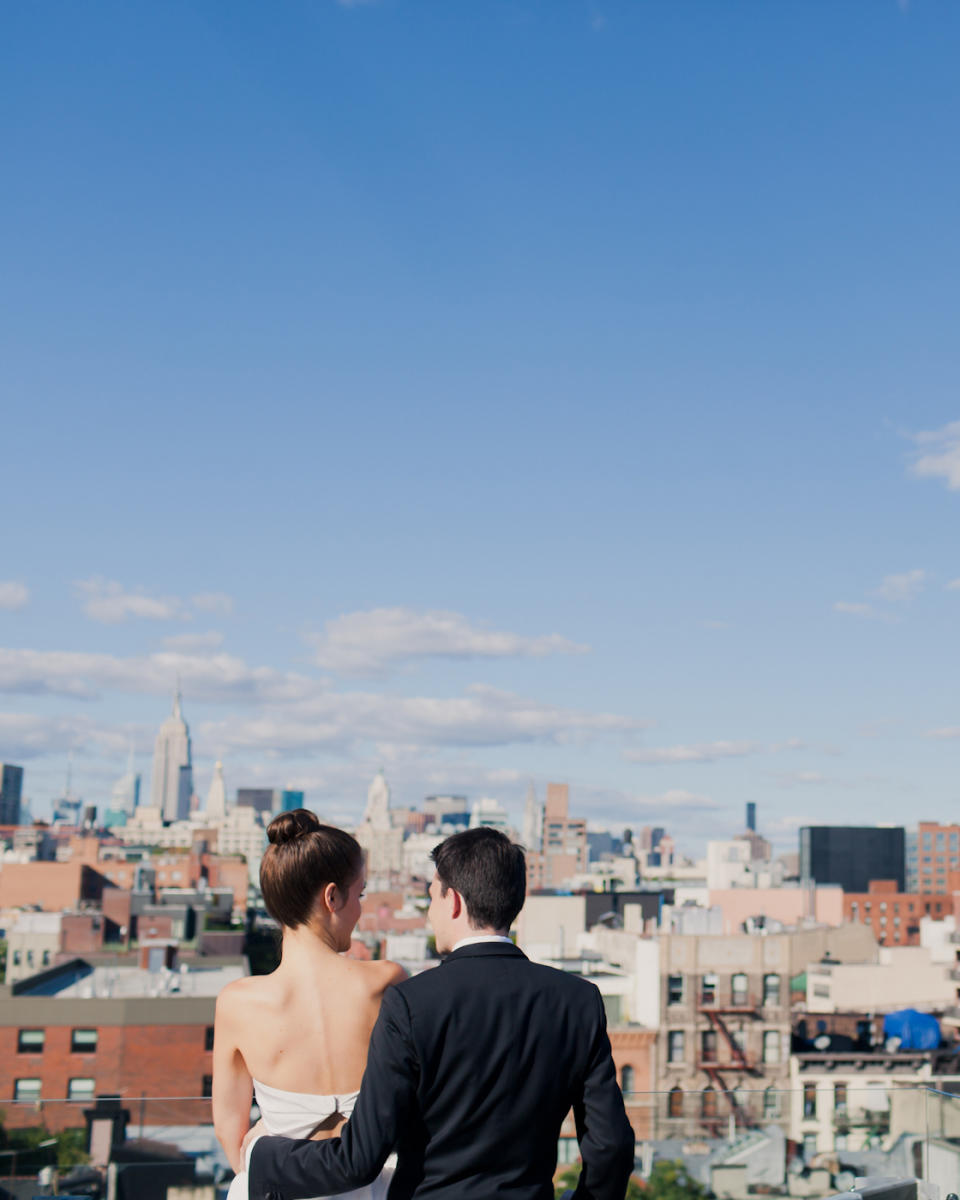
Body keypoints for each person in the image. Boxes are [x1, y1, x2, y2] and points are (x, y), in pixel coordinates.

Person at [245, 826, 635, 1200]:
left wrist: (262, 1157)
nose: (430, 914)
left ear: (455, 902)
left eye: (432, 898)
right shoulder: (577, 1001)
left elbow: (359, 1159)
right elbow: (611, 1145)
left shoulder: (410, 1004)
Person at [213, 809, 406, 1200]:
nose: (361, 908)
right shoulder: (386, 982)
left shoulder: (238, 1003)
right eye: (360, 894)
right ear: (332, 897)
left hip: (280, 1187)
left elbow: (232, 1139)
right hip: (376, 1188)